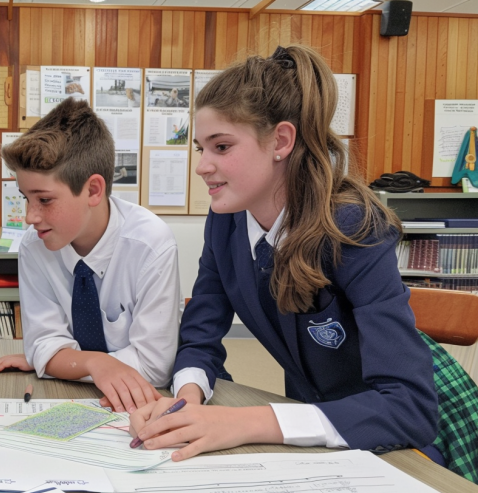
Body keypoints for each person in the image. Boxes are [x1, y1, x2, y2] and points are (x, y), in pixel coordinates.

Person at [130, 45, 438, 462]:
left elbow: (411, 409)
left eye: (221, 147)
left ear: (280, 140)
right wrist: (186, 399)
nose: (202, 166)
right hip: (309, 434)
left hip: (392, 441)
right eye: (201, 148)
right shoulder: (226, 221)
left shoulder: (354, 228)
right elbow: (201, 334)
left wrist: (245, 422)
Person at [0, 98, 180, 414]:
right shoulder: (35, 246)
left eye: (45, 200)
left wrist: (60, 362)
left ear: (93, 191)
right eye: (26, 198)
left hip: (140, 405)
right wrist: (91, 362)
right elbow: (44, 347)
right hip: (75, 400)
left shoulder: (151, 245)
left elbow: (154, 367)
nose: (30, 217)